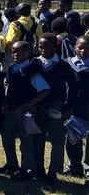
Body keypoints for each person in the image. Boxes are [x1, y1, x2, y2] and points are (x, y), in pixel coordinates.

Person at [0, 41, 51, 181]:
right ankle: (11, 165)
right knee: (6, 137)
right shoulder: (12, 68)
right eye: (13, 52)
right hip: (11, 108)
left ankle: (27, 169)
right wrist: (5, 101)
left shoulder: (31, 70)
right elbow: (8, 85)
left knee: (26, 141)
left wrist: (30, 104)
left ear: (27, 53)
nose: (15, 55)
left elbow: (45, 90)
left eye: (19, 52)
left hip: (25, 111)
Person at [32, 33, 75, 184]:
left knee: (57, 140)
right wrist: (35, 105)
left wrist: (67, 108)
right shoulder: (35, 63)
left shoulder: (63, 65)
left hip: (56, 106)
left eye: (47, 47)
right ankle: (38, 169)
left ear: (55, 47)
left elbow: (71, 87)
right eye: (40, 47)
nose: (43, 50)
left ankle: (53, 171)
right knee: (38, 138)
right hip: (38, 106)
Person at [64, 36, 89, 185]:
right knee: (72, 139)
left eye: (87, 48)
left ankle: (88, 170)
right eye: (80, 47)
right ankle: (74, 167)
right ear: (75, 47)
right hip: (72, 108)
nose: (83, 50)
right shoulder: (68, 64)